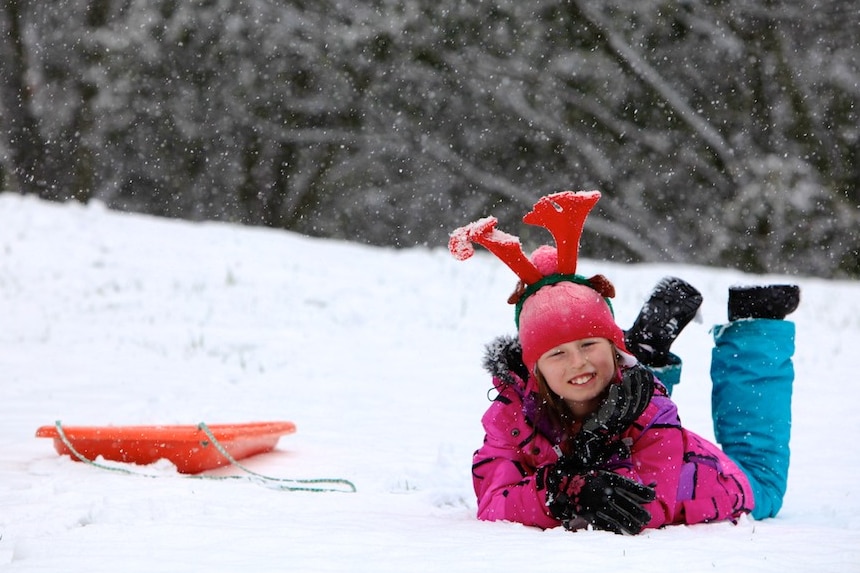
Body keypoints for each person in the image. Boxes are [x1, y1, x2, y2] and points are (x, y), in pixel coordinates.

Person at [449, 190, 799, 534]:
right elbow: (494, 502)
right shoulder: (512, 414)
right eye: (557, 353)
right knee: (615, 385)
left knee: (763, 480)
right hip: (634, 409)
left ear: (614, 347)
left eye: (589, 344)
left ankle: (758, 326)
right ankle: (646, 353)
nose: (577, 362)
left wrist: (598, 447)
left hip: (715, 483)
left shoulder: (654, 411)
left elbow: (648, 507)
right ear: (533, 368)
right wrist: (560, 489)